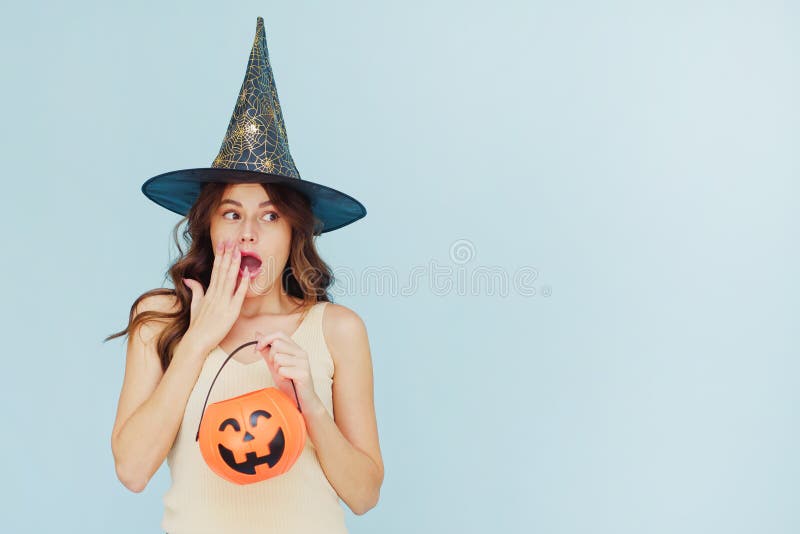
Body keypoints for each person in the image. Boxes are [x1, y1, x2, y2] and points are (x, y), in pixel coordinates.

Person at [105, 17, 382, 533]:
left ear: (294, 233)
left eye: (271, 215)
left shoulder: (337, 330)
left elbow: (365, 496)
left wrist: (311, 407)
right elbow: (132, 469)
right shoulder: (161, 319)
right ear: (208, 227)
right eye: (232, 213)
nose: (249, 232)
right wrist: (199, 339)